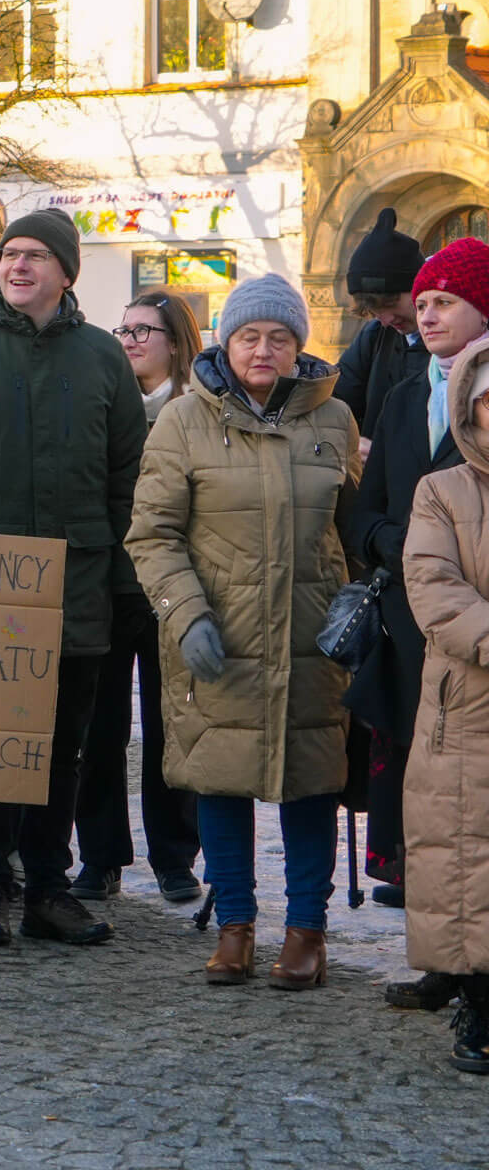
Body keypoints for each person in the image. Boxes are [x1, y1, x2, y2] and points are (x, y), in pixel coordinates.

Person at [126, 274, 360, 990]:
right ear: (227, 342)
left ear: (298, 346)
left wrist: (357, 604)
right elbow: (152, 534)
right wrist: (186, 612)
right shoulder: (183, 421)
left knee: (311, 785)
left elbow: (352, 530)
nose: (264, 349)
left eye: (280, 337)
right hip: (217, 635)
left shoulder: (335, 420)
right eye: (250, 336)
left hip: (311, 639)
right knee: (220, 783)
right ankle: (234, 926)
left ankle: (305, 932)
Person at [0, 207, 147, 948]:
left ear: (66, 272)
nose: (18, 266)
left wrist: (123, 579)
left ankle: (50, 891)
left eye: (36, 257)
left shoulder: (102, 357)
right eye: (11, 255)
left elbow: (128, 478)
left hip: (77, 580)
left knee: (64, 748)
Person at [363, 238, 489, 1011]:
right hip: (416, 630)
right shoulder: (406, 393)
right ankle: (448, 956)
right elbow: (367, 508)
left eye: (447, 297)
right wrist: (400, 542)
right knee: (433, 807)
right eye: (426, 298)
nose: (429, 310)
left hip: (471, 638)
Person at [70, 292, 205, 905]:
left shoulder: (201, 410)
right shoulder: (98, 399)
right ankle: (100, 857)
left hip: (176, 585)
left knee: (172, 723)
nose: (127, 339)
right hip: (109, 581)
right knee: (100, 729)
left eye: (143, 330)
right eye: (122, 328)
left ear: (176, 341)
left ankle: (175, 856)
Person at [402, 332, 489, 1072]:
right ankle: (480, 1003)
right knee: (466, 856)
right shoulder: (443, 491)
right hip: (468, 705)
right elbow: (431, 583)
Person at [336, 209, 430, 452]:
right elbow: (335, 402)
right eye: (374, 311)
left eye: (391, 304)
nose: (386, 320)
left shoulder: (458, 339)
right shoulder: (374, 336)